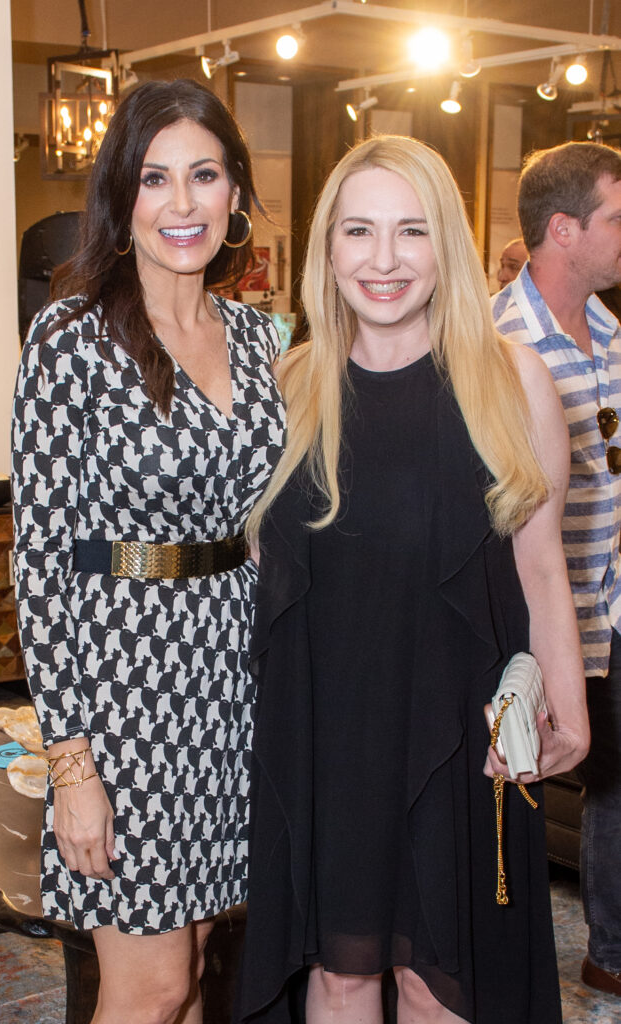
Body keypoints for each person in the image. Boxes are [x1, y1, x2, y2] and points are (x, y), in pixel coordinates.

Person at [235, 135, 590, 1024]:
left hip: (459, 726)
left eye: (412, 231)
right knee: (340, 971)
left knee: (443, 983)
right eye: (358, 231)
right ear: (328, 249)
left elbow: (541, 564)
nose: (384, 260)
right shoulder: (290, 389)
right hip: (326, 734)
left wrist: (570, 700)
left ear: (448, 248)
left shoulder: (513, 382)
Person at [11, 79, 285, 1024]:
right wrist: (72, 768)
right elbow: (43, 563)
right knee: (152, 983)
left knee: (203, 954)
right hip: (128, 683)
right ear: (121, 197)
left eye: (204, 175)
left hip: (237, 681)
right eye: (154, 178)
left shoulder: (261, 339)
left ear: (235, 194)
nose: (181, 204)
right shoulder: (71, 338)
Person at [493, 140, 621, 999]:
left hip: (610, 605)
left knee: (615, 784)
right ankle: (496, 962)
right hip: (529, 618)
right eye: (618, 217)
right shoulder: (495, 342)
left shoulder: (611, 330)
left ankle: (608, 951)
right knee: (512, 796)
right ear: (564, 230)